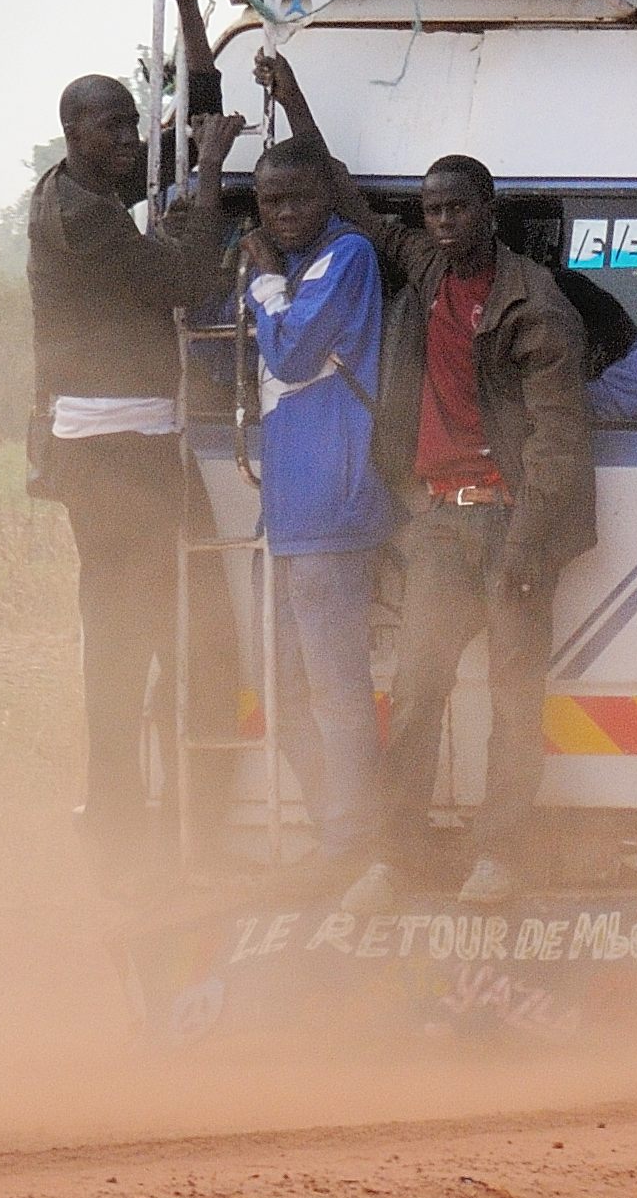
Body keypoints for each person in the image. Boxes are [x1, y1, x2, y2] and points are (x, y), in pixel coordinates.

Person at [254, 55, 599, 905]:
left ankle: (500, 857)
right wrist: (295, 96)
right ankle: (394, 857)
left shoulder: (538, 307)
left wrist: (523, 546)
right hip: (442, 523)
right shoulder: (427, 268)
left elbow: (558, 448)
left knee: (515, 709)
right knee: (415, 698)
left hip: (515, 526)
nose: (441, 222)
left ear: (489, 213)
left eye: (456, 209)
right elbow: (343, 195)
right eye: (432, 209)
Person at [26, 0, 244, 881]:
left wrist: (195, 11)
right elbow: (186, 282)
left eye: (130, 125)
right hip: (112, 449)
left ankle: (138, 806)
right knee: (154, 631)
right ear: (73, 132)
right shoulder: (80, 216)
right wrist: (204, 178)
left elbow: (197, 108)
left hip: (130, 440)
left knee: (158, 628)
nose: (130, 140)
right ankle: (134, 813)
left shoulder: (92, 185)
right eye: (114, 127)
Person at [235, 99, 398, 907]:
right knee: (282, 691)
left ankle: (355, 845)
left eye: (297, 198)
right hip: (286, 517)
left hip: (333, 510)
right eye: (269, 201)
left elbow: (295, 346)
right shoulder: (288, 273)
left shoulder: (349, 257)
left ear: (325, 198)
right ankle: (335, 829)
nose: (284, 213)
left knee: (336, 691)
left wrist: (262, 277)